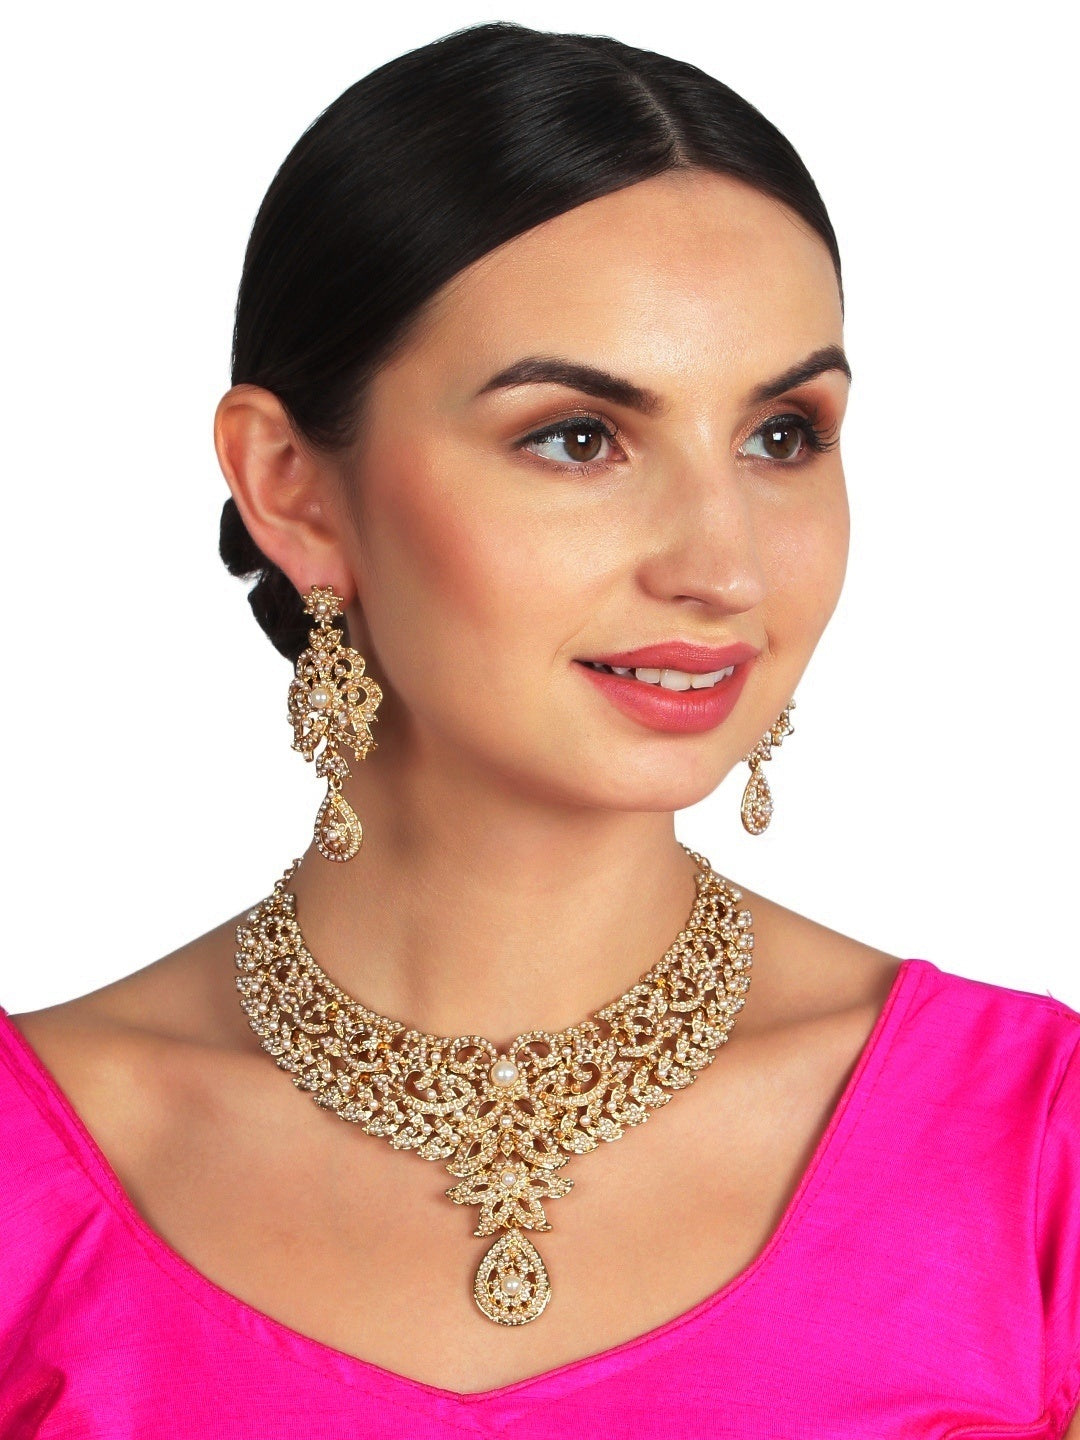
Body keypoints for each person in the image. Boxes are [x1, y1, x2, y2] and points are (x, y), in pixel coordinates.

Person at [1, 19, 1077, 1438]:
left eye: (782, 435)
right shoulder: (30, 1175)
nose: (724, 566)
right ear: (293, 487)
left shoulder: (1028, 1149)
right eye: (578, 436)